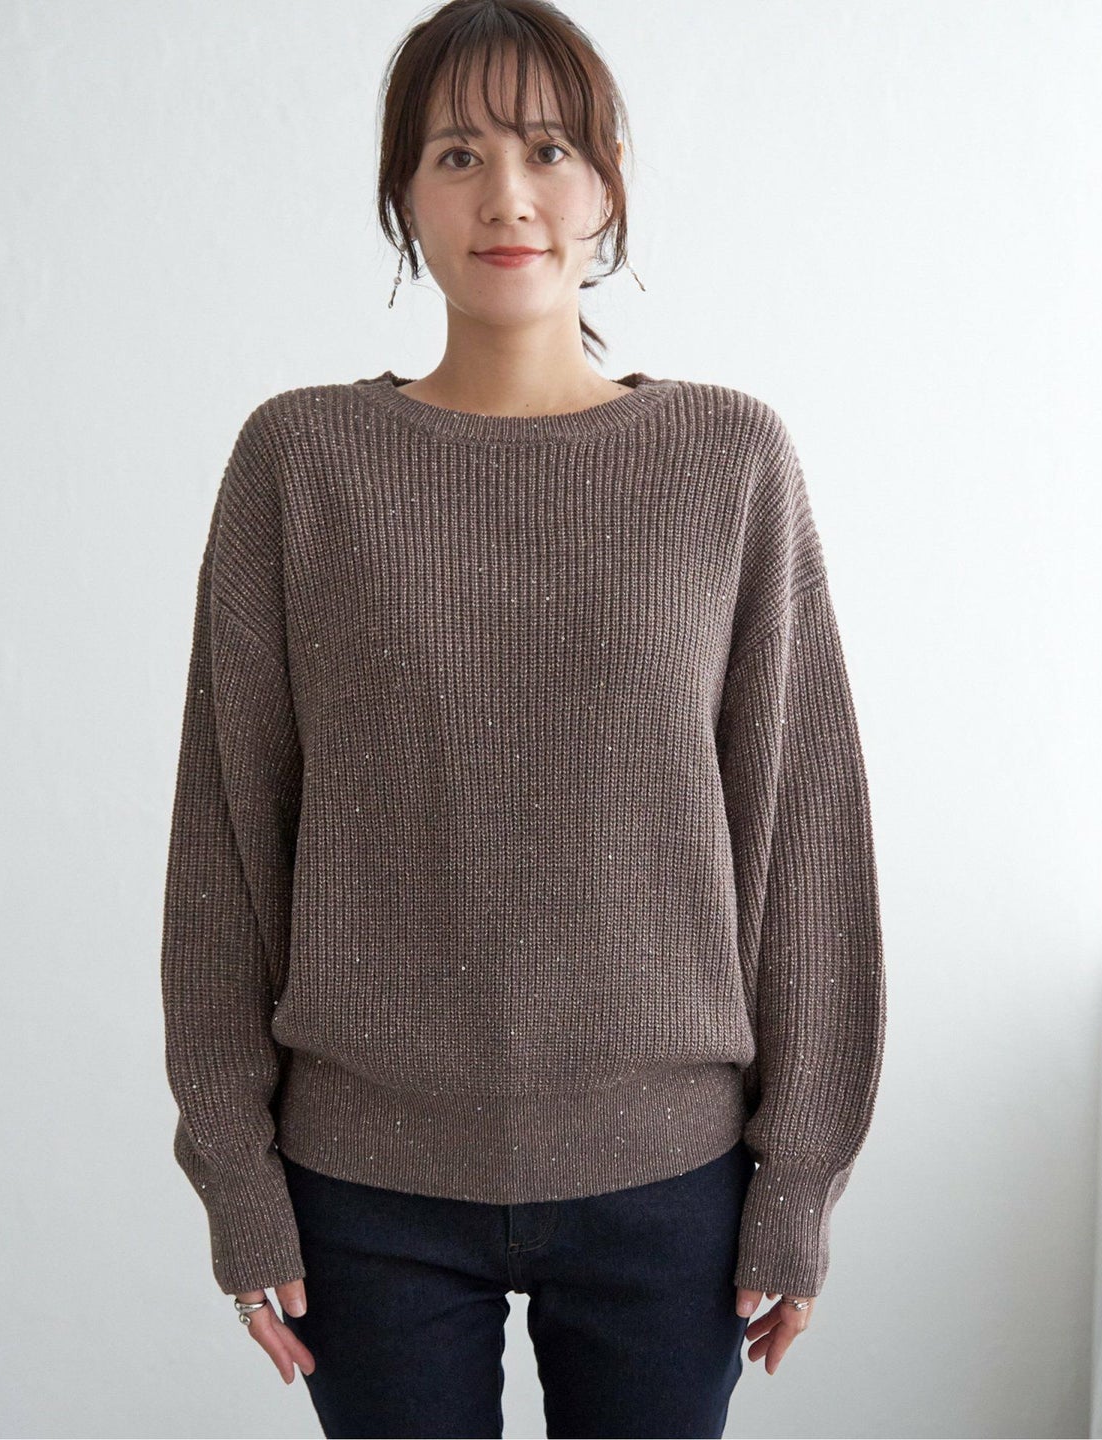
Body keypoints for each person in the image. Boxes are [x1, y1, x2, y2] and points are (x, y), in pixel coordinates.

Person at [159, 1, 887, 1435]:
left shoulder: (727, 457)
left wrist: (800, 1179)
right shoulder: (300, 462)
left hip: (669, 1188)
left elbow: (802, 835)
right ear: (402, 196)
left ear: (607, 182)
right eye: (457, 154)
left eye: (549, 149)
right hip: (363, 1189)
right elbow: (226, 841)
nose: (507, 195)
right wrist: (235, 1172)